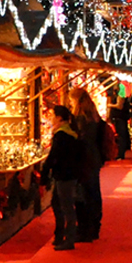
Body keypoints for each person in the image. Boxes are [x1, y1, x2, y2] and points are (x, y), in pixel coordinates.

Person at [39, 105, 83, 250]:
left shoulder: (61, 135)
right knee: (59, 204)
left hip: (64, 174)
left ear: (59, 118)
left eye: (52, 115)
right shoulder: (70, 133)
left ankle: (67, 238)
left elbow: (54, 156)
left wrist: (45, 173)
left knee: (65, 206)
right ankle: (60, 234)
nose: (50, 118)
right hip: (69, 173)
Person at [68, 87, 105, 241]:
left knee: (83, 194)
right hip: (94, 158)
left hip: (84, 159)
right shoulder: (95, 117)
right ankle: (94, 225)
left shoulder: (81, 119)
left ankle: (85, 229)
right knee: (93, 191)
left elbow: (80, 140)